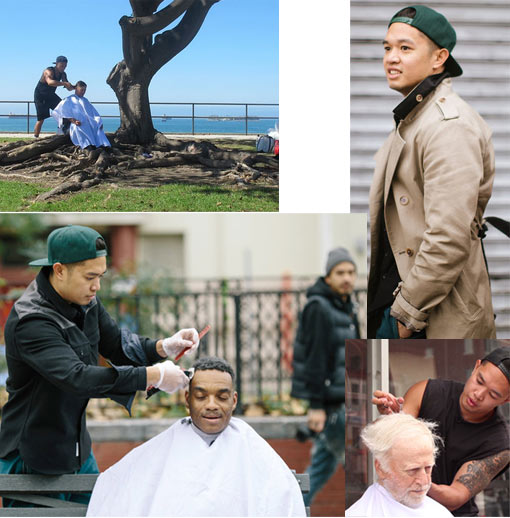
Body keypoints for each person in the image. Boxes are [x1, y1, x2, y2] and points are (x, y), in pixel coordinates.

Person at [0, 225, 201, 506]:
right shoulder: (31, 321)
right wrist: (153, 375)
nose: (97, 286)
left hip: (78, 451)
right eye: (90, 277)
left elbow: (117, 344)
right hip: (33, 458)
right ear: (59, 270)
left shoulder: (86, 299)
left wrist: (164, 346)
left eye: (101, 276)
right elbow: (77, 377)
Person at [367, 5, 496, 338]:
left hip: (428, 315)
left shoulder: (448, 126)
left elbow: (448, 237)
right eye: (387, 48)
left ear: (439, 58)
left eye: (405, 48)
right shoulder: (415, 118)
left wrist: (404, 316)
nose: (391, 58)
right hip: (402, 302)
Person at [86, 357, 307, 517]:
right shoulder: (164, 447)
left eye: (222, 397)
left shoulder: (253, 447)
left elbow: (281, 498)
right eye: (201, 396)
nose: (212, 405)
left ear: (234, 400)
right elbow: (119, 487)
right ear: (187, 399)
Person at [372, 346, 510, 516]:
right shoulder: (427, 392)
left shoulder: (500, 444)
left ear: (506, 399)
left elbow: (455, 497)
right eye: (479, 381)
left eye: (493, 394)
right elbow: (394, 443)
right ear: (476, 367)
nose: (478, 394)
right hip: (399, 507)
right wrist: (392, 420)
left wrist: (417, 481)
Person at [291, 246, 360, 506]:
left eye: (351, 272)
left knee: (319, 470)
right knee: (360, 471)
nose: (347, 278)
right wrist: (316, 407)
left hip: (341, 401)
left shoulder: (344, 307)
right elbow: (315, 358)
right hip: (331, 406)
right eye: (340, 272)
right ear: (328, 276)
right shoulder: (319, 308)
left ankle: (289, 507)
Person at [346, 413, 453, 516]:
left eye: (428, 468)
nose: (424, 481)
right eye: (413, 470)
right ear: (381, 468)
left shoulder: (440, 513)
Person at [52, 81, 111, 150]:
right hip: (72, 124)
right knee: (79, 127)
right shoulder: (69, 99)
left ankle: (102, 145)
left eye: (85, 90)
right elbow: (61, 112)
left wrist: (99, 121)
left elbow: (94, 113)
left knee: (97, 126)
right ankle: (87, 145)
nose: (83, 92)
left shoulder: (85, 100)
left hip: (87, 122)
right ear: (76, 89)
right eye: (81, 90)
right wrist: (73, 120)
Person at [34, 56, 75, 138]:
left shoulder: (63, 74)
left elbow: (68, 88)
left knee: (64, 111)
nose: (63, 68)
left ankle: (62, 133)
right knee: (41, 119)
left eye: (65, 66)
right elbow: (50, 82)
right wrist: (64, 84)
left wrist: (75, 87)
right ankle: (35, 137)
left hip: (51, 95)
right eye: (61, 66)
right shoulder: (48, 71)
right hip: (40, 96)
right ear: (56, 64)